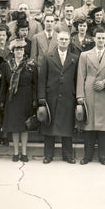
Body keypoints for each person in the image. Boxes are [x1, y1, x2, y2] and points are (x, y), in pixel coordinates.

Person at [76, 27, 105, 165]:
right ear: (94, 39)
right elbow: (80, 76)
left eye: (103, 38)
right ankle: (87, 156)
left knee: (104, 127)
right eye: (98, 38)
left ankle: (103, 156)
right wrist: (80, 96)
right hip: (89, 91)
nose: (100, 40)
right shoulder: (85, 55)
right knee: (88, 125)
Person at [38, 31, 79, 164]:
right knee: (49, 126)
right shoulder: (48, 57)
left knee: (67, 126)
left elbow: (76, 79)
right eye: (61, 39)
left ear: (69, 41)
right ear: (57, 41)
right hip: (51, 97)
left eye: (66, 39)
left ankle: (68, 155)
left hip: (68, 98)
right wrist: (42, 97)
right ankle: (48, 155)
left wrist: (77, 96)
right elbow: (42, 79)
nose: (63, 41)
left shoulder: (74, 58)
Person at [1, 40, 37, 162]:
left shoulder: (30, 65)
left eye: (21, 49)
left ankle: (24, 152)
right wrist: (1, 100)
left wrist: (34, 99)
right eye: (17, 49)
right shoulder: (7, 65)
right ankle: (16, 152)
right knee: (15, 126)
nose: (19, 52)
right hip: (12, 98)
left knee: (24, 126)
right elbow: (3, 85)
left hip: (26, 97)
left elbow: (35, 84)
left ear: (24, 51)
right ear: (13, 51)